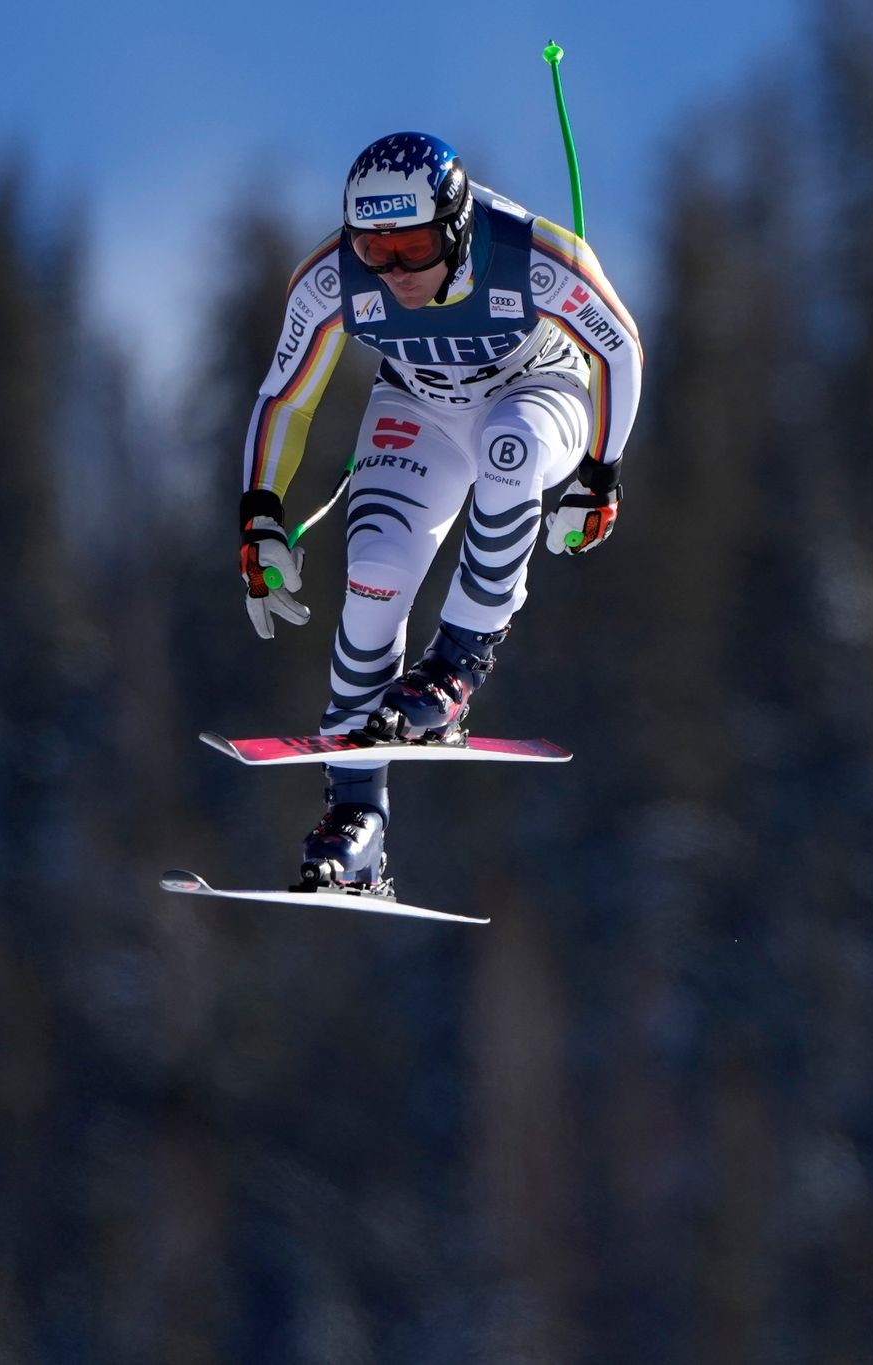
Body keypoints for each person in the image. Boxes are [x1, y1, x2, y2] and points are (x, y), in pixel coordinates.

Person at [238, 131, 642, 892]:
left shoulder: (530, 253)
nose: (394, 272)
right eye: (374, 250)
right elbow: (284, 394)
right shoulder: (331, 280)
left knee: (510, 450)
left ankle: (456, 665)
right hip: (419, 402)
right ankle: (357, 822)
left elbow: (619, 350)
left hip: (538, 392)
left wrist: (601, 476)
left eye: (416, 246)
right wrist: (259, 513)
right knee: (375, 577)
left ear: (456, 223)